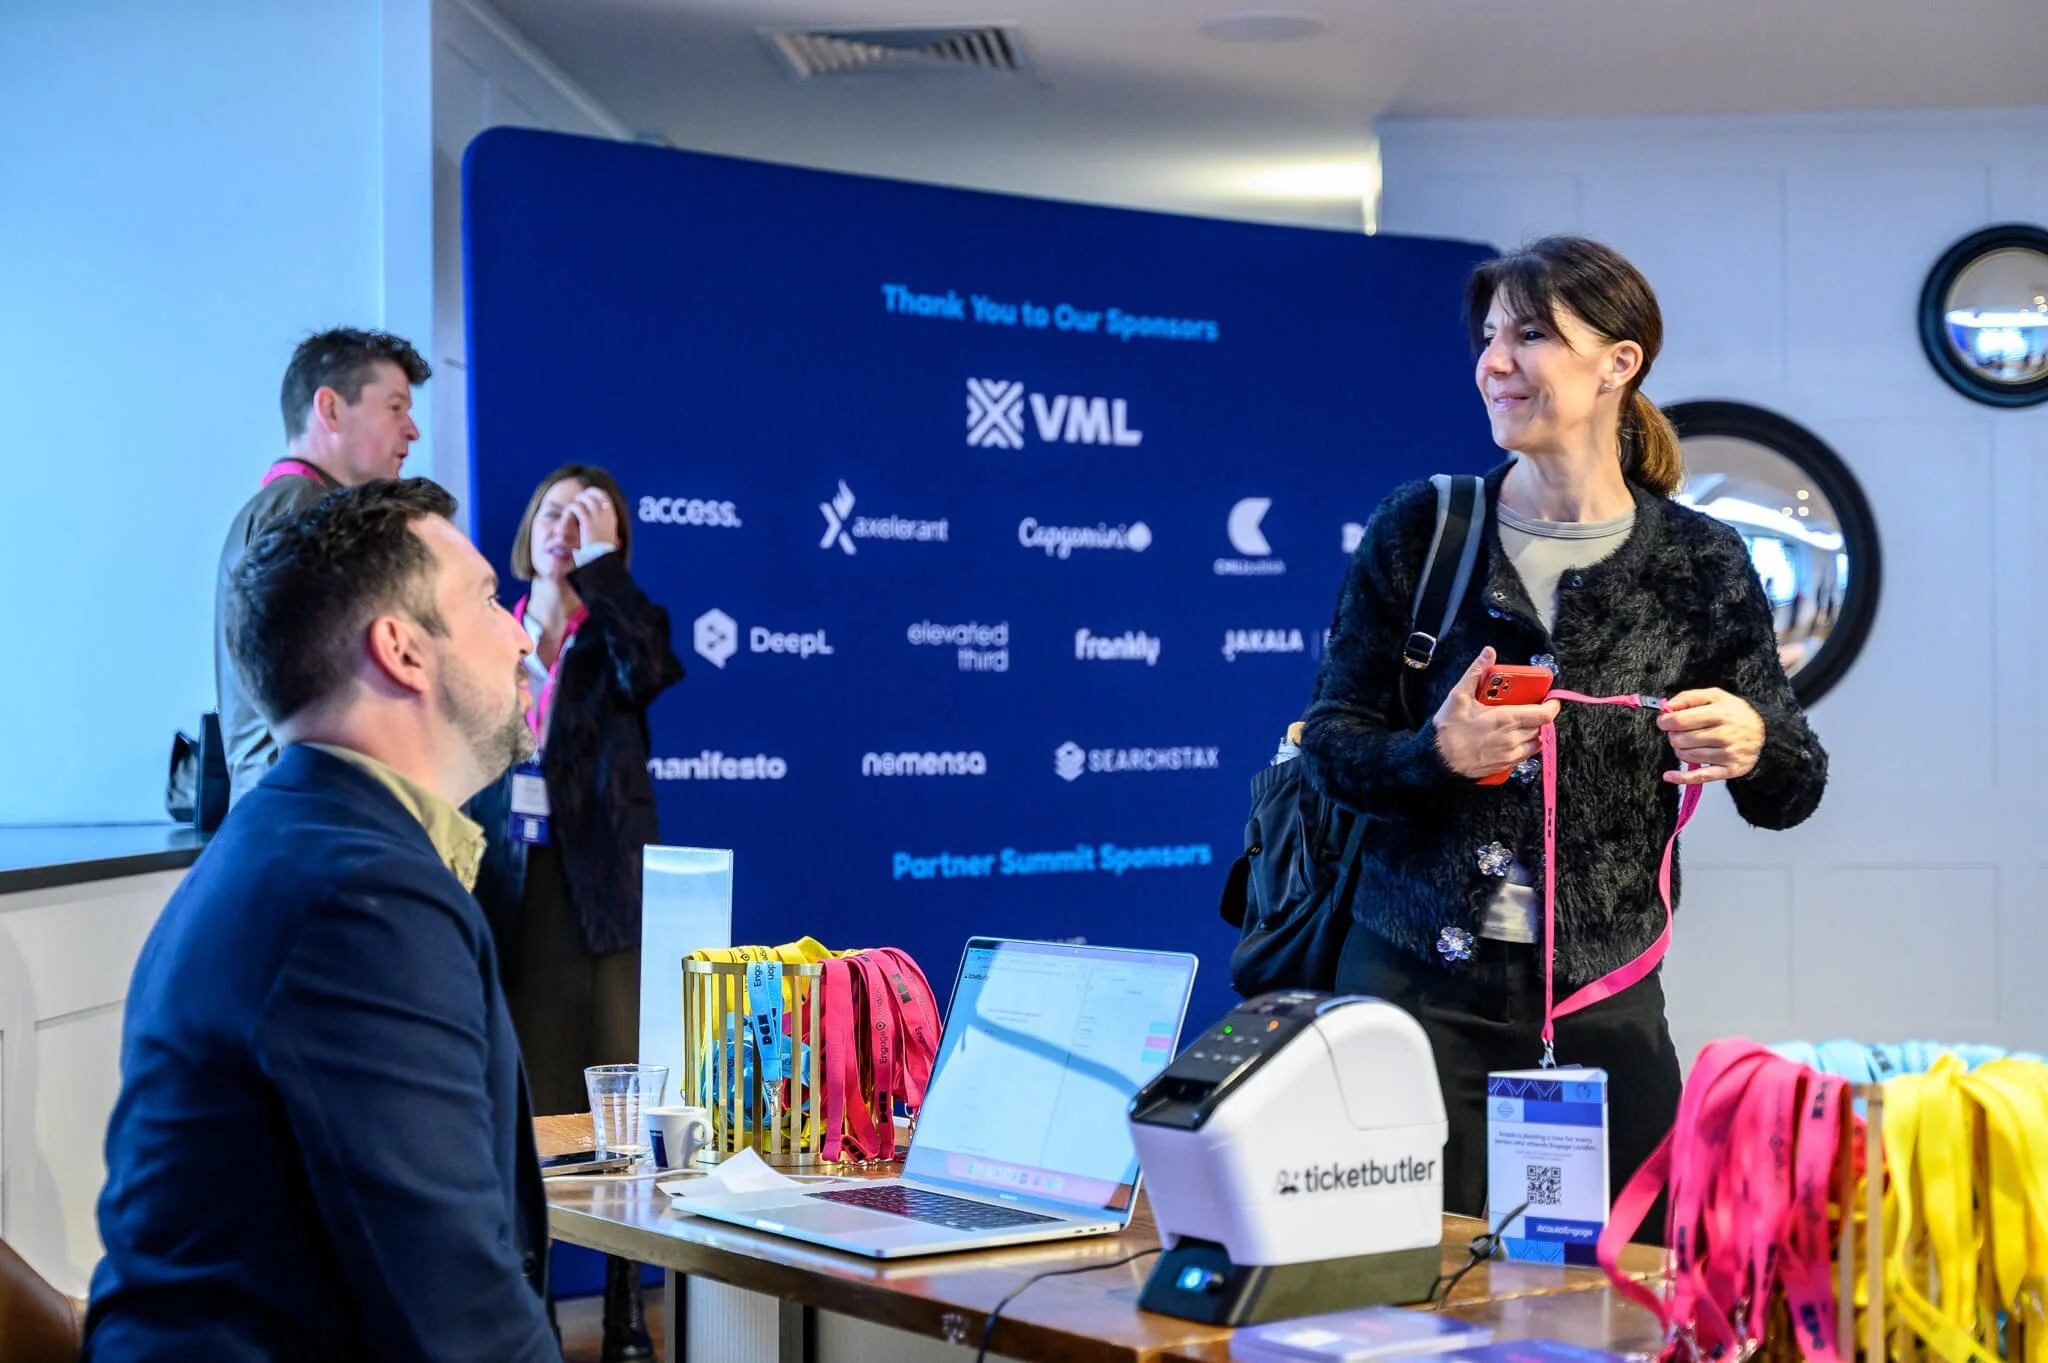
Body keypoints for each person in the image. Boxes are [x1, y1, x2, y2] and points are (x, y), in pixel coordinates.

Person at [1300, 235, 1829, 1222]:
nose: (1493, 362)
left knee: (1625, 1294)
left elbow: (1793, 780)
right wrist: (1435, 754)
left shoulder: (1698, 560)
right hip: (1410, 998)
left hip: (1603, 1005)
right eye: (1489, 336)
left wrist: (1752, 743)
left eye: (1530, 335)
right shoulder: (1420, 530)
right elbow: (1327, 743)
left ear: (1617, 362)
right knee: (1405, 1298)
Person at [87, 480, 559, 1361]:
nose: (522, 634)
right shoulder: (358, 894)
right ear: (403, 650)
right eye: (491, 601)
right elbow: (459, 1317)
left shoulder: (299, 842)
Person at [470, 464, 683, 1116]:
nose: (564, 527)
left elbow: (650, 668)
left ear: (611, 545)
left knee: (605, 1076)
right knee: (516, 1075)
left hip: (598, 884)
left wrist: (600, 567)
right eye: (553, 512)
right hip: (501, 875)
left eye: (586, 518)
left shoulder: (620, 633)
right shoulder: (483, 631)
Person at [214, 327, 431, 805]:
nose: (412, 430)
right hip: (307, 813)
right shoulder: (302, 511)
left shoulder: (291, 505)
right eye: (395, 408)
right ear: (331, 408)